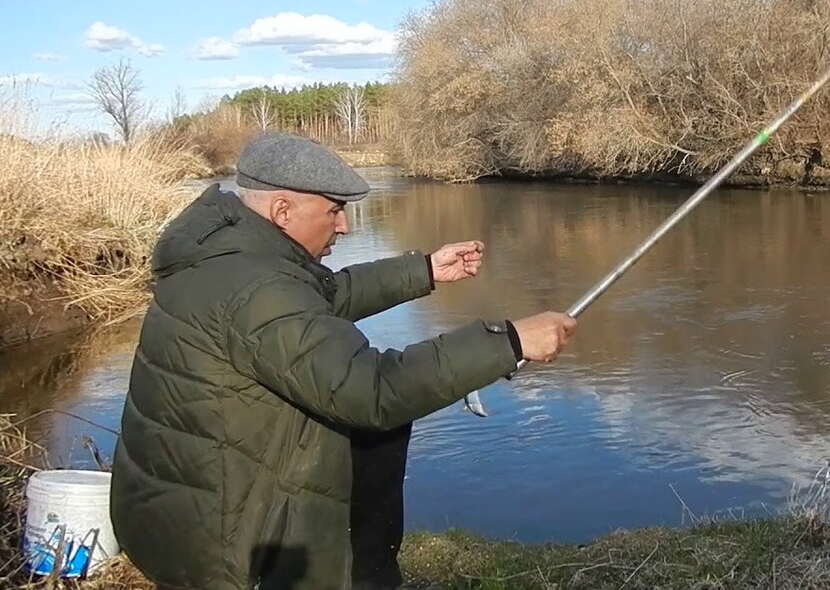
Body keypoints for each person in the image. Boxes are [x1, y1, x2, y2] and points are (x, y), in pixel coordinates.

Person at [109, 131, 576, 590]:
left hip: (180, 512)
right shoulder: (256, 287)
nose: (346, 225)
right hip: (229, 541)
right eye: (334, 210)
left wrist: (423, 270)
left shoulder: (228, 253)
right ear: (282, 210)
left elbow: (320, 297)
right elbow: (371, 390)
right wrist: (509, 342)